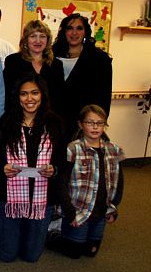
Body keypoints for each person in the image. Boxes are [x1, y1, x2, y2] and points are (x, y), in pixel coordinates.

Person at [0, 74, 65, 262]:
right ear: (17, 97)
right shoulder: (6, 122)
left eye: (34, 93)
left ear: (42, 95)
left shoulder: (55, 123)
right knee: (7, 255)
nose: (29, 98)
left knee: (31, 256)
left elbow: (63, 160)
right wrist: (2, 168)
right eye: (24, 94)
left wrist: (54, 169)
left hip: (42, 198)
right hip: (9, 197)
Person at [49, 104, 124, 259]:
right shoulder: (73, 149)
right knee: (74, 253)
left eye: (100, 123)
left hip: (100, 211)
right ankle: (51, 234)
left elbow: (119, 182)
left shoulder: (114, 150)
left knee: (90, 252)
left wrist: (113, 207)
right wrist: (69, 212)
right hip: (78, 211)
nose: (95, 127)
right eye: (90, 122)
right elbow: (61, 182)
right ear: (80, 124)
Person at [52, 13, 112, 138]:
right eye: (70, 28)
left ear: (85, 32)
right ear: (64, 31)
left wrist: (95, 124)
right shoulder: (50, 55)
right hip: (55, 123)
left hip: (84, 124)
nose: (74, 33)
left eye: (79, 28)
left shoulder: (99, 59)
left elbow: (104, 97)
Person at [4, 20, 64, 114]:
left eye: (42, 36)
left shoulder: (56, 65)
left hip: (48, 116)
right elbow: (7, 94)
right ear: (26, 39)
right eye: (33, 36)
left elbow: (59, 97)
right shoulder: (13, 61)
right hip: (18, 115)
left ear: (48, 40)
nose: (38, 41)